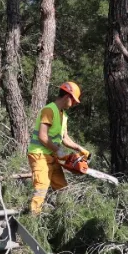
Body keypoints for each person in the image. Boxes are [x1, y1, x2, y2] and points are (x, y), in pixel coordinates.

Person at [27, 81, 89, 215]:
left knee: (63, 189)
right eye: (73, 101)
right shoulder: (49, 110)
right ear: (68, 97)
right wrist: (58, 150)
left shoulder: (63, 115)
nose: (73, 105)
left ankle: (62, 218)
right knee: (41, 188)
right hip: (39, 155)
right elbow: (43, 137)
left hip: (52, 156)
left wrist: (79, 148)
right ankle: (32, 219)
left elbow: (65, 138)